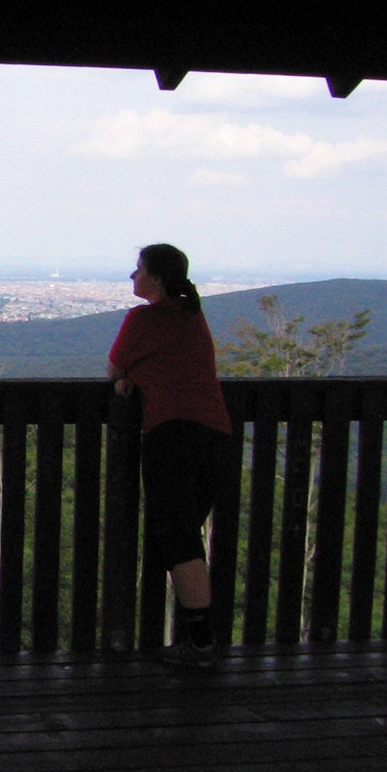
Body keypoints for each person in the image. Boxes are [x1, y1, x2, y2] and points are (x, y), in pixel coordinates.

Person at [106, 243, 233, 669]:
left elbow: (115, 366)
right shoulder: (192, 315)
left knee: (177, 540)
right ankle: (197, 639)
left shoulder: (145, 317)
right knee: (184, 536)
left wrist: (128, 379)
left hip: (171, 435)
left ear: (156, 277)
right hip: (215, 436)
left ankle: (199, 643)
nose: (132, 277)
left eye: (138, 269)